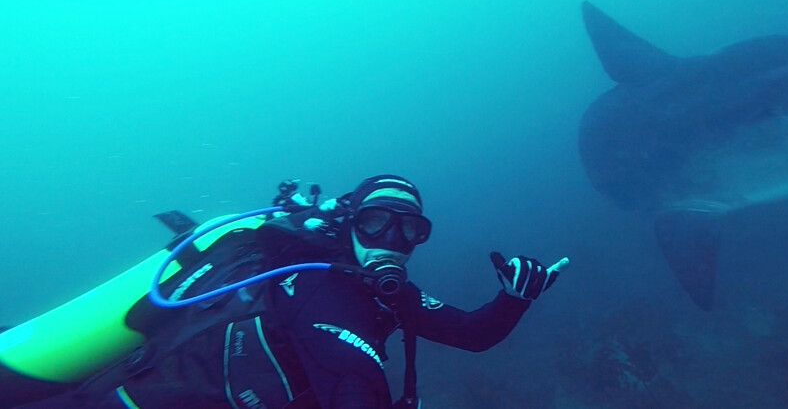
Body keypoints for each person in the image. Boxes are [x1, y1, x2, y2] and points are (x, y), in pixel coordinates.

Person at [21, 174, 567, 408]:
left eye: (410, 230)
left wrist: (514, 297)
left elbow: (472, 335)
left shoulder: (388, 293)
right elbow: (353, 376)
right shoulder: (313, 282)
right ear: (350, 222)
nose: (393, 242)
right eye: (378, 223)